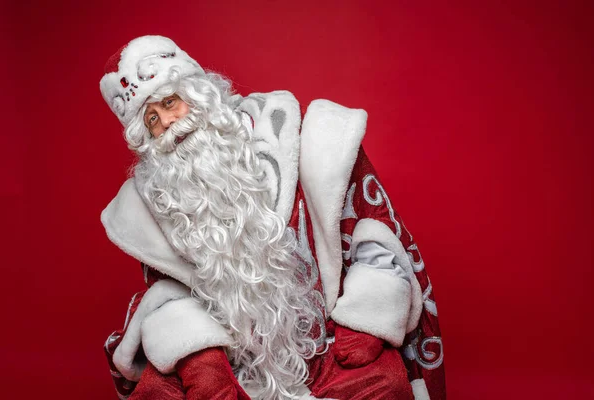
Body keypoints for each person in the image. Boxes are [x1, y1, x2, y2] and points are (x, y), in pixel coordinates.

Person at [100, 35, 445, 400]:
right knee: (157, 393)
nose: (169, 122)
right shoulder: (159, 195)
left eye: (171, 102)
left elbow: (374, 234)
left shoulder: (309, 139)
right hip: (230, 356)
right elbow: (167, 292)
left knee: (385, 383)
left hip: (328, 341)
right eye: (153, 119)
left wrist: (365, 322)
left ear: (200, 96)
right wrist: (203, 361)